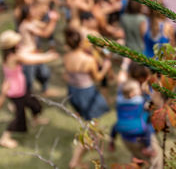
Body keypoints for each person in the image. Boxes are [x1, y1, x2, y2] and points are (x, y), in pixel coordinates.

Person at [0, 30, 58, 148]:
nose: (19, 42)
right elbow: (32, 59)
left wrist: (38, 50)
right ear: (12, 45)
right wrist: (49, 56)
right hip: (16, 93)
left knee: (35, 104)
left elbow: (27, 51)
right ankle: (5, 138)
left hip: (21, 89)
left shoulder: (9, 54)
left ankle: (35, 119)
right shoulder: (14, 57)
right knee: (19, 118)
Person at [63, 28, 111, 168]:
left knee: (91, 127)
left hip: (73, 92)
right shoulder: (88, 60)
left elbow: (66, 75)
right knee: (92, 131)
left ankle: (81, 156)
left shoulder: (66, 57)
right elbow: (97, 78)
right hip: (87, 94)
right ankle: (75, 161)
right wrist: (106, 68)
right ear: (80, 42)